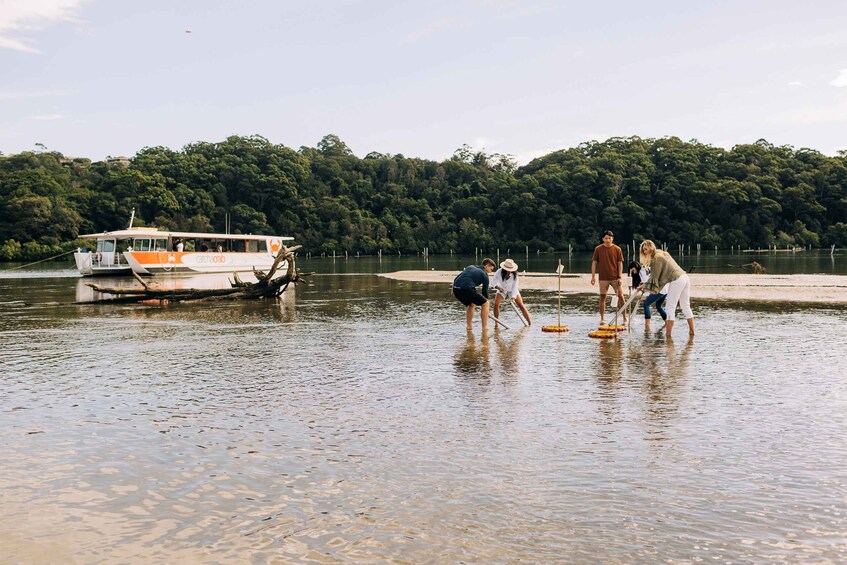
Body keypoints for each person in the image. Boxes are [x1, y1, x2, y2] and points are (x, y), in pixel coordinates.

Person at [638, 240, 694, 336]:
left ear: (651, 248)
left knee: (670, 308)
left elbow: (654, 278)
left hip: (677, 280)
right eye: (643, 250)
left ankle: (668, 336)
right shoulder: (662, 253)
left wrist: (643, 287)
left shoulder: (656, 258)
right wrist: (645, 287)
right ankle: (692, 332)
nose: (644, 252)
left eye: (646, 249)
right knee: (685, 306)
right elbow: (657, 279)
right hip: (684, 277)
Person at [590, 230, 626, 324]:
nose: (607, 240)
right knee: (602, 297)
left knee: (621, 296)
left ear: (612, 239)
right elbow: (594, 263)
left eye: (609, 238)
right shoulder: (598, 249)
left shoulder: (617, 249)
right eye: (606, 238)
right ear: (603, 239)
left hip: (615, 277)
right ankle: (602, 318)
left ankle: (625, 318)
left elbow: (620, 263)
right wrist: (593, 277)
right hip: (603, 278)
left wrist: (620, 277)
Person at [452, 258, 497, 331]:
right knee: (486, 303)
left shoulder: (470, 267)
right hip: (466, 289)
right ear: (486, 266)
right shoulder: (484, 274)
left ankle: (469, 327)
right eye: (491, 269)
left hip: (456, 289)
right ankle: (484, 328)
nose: (491, 272)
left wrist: (453, 289)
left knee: (472, 304)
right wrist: (486, 307)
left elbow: (457, 278)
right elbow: (485, 292)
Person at [492, 258, 531, 326]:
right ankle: (496, 323)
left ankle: (529, 323)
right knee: (496, 305)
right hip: (502, 289)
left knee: (521, 305)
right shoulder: (499, 271)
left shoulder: (515, 276)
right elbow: (493, 282)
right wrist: (498, 288)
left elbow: (515, 288)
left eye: (511, 270)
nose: (510, 271)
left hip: (512, 290)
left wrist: (513, 298)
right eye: (508, 270)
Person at [638, 262, 668, 327]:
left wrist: (642, 289)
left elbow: (647, 284)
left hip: (659, 290)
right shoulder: (650, 267)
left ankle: (647, 326)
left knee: (646, 304)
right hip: (665, 289)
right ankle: (667, 323)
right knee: (658, 306)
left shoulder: (642, 271)